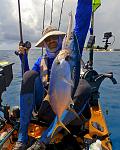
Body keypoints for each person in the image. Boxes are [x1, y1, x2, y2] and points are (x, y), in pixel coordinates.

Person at [13, 0, 92, 149]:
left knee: (85, 87)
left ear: (60, 39)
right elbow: (29, 82)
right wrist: (23, 58)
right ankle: (21, 139)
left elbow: (81, 26)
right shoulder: (41, 61)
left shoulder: (72, 53)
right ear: (44, 44)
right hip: (46, 106)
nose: (51, 41)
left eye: (54, 37)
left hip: (67, 110)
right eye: (47, 39)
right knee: (29, 75)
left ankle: (44, 140)